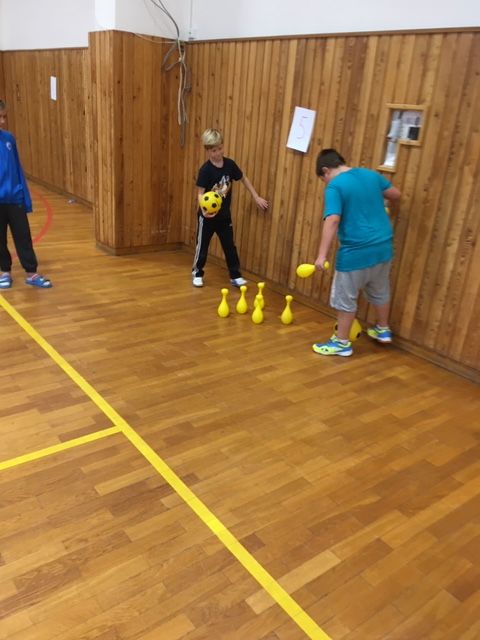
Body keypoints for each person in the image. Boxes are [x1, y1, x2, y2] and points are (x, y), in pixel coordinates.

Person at [312, 148, 401, 356]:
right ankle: (383, 329)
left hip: (356, 251)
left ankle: (342, 343)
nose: (325, 183)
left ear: (325, 170)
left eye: (323, 179)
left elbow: (333, 220)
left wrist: (321, 256)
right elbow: (395, 195)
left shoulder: (335, 186)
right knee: (380, 289)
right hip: (383, 247)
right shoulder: (370, 175)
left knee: (345, 297)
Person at [192, 128, 268, 287]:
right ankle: (197, 273)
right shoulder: (205, 170)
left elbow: (243, 179)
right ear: (208, 151)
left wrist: (256, 197)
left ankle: (235, 275)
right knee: (202, 246)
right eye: (214, 150)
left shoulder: (230, 165)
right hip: (207, 217)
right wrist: (204, 210)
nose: (218, 153)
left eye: (220, 148)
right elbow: (200, 193)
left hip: (224, 216)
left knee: (229, 247)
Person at [0, 99, 52, 289]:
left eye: (4, 116)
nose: (3, 121)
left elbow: (17, 169)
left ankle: (31, 272)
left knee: (23, 236)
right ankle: (5, 271)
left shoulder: (9, 139)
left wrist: (24, 196)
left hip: (15, 199)